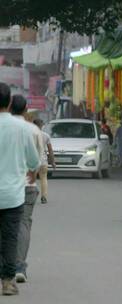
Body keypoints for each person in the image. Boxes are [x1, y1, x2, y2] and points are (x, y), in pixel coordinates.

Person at [0, 83, 41, 295]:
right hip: (13, 195)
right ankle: (7, 282)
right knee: (9, 237)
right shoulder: (23, 128)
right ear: (8, 103)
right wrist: (31, 172)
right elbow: (34, 161)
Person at [10, 95, 45, 284]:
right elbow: (36, 159)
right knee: (23, 224)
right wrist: (33, 171)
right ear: (25, 110)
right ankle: (19, 266)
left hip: (5, 185)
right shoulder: (32, 130)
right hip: (27, 184)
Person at [34, 119, 56, 204]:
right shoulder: (46, 136)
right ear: (41, 125)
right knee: (44, 178)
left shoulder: (30, 134)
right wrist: (53, 162)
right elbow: (50, 150)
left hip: (32, 162)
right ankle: (44, 196)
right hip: (43, 161)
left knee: (31, 180)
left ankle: (32, 194)